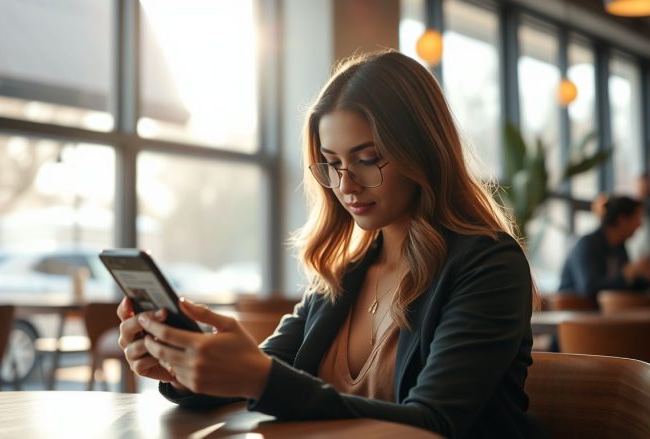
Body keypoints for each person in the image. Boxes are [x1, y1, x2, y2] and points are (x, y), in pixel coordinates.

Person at [117, 50, 539, 438]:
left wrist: (258, 377)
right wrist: (184, 368)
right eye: (332, 164)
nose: (345, 185)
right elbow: (268, 374)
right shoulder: (342, 273)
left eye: (368, 159)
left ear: (422, 151)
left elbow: (434, 423)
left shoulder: (488, 265)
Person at [558, 195, 650, 303]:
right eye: (637, 218)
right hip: (574, 313)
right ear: (622, 220)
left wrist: (648, 279)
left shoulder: (620, 248)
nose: (640, 224)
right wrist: (627, 273)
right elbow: (589, 289)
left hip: (603, 315)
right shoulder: (587, 245)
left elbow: (622, 288)